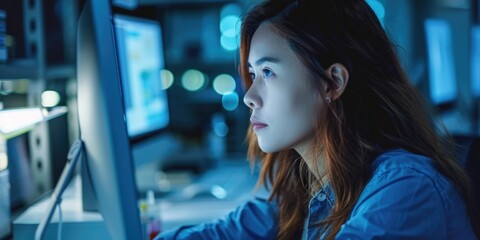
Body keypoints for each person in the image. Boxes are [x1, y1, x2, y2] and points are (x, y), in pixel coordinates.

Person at [156, 0, 479, 239]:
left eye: (268, 72)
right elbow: (224, 234)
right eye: (253, 74)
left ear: (333, 83)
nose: (249, 96)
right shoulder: (314, 186)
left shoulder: (407, 188)